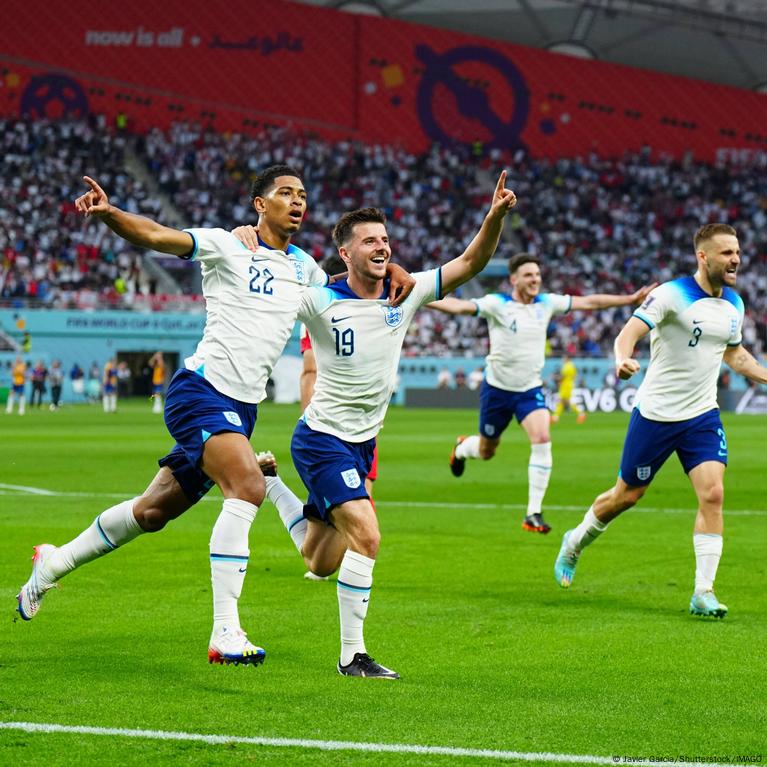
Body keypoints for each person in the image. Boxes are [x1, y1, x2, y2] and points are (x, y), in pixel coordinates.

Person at [15, 166, 413, 671]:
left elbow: (347, 285)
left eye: (302, 195)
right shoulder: (228, 246)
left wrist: (392, 272)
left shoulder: (307, 270)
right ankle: (226, 629)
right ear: (259, 204)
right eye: (285, 193)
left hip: (240, 409)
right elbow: (161, 235)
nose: (297, 201)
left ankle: (53, 562)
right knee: (246, 486)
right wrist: (110, 213)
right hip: (201, 391)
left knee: (152, 511)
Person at [257, 172, 517, 678]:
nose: (382, 247)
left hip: (362, 442)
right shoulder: (317, 301)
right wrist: (250, 238)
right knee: (368, 537)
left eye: (385, 240)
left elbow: (470, 263)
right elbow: (263, 294)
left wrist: (494, 218)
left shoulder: (406, 293)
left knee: (319, 561)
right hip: (322, 438)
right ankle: (352, 656)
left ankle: (271, 486)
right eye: (370, 241)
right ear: (347, 254)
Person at [554, 223, 767, 618]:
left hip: (702, 415)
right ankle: (575, 542)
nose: (735, 259)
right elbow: (627, 334)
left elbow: (735, 356)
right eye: (726, 253)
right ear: (702, 256)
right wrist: (622, 359)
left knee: (713, 494)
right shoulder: (670, 294)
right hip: (656, 415)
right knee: (626, 497)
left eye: (736, 251)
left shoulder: (734, 304)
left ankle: (703, 592)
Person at [430, 253, 654, 535]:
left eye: (537, 274)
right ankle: (462, 449)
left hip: (529, 390)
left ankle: (533, 513)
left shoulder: (546, 303)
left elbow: (589, 302)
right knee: (487, 451)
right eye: (528, 275)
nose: (535, 279)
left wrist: (629, 300)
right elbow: (460, 307)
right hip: (497, 390)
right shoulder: (497, 304)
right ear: (514, 280)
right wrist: (420, 297)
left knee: (543, 437)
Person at [550, 354, 586, 424]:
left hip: (565, 385)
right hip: (569, 384)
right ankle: (555, 417)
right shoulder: (572, 366)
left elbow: (562, 377)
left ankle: (581, 414)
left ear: (567, 358)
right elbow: (574, 376)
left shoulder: (566, 366)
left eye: (563, 358)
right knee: (563, 401)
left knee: (564, 401)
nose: (562, 360)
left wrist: (554, 377)